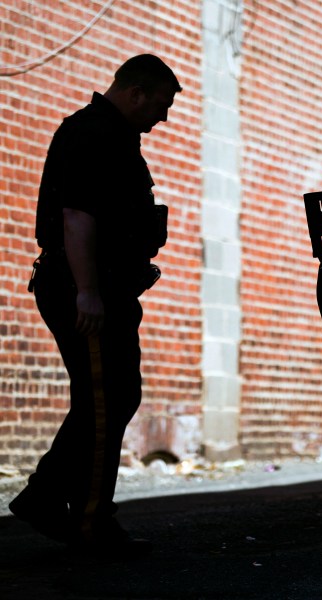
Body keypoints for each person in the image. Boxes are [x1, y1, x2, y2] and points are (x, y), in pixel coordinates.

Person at [9, 54, 181, 558]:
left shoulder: (116, 136)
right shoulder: (91, 134)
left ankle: (46, 495)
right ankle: (89, 522)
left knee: (112, 395)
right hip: (85, 288)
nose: (164, 117)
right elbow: (77, 217)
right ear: (135, 93)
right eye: (161, 105)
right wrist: (87, 290)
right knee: (106, 401)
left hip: (104, 288)